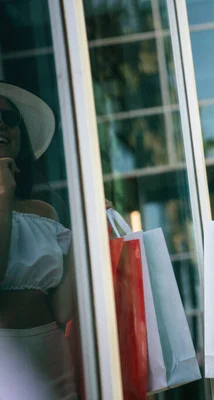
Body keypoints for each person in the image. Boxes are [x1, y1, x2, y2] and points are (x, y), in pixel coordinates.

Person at [0, 81, 77, 399]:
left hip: (52, 353)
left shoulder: (44, 211)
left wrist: (84, 234)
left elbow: (62, 310)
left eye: (9, 117)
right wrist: (3, 193)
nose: (2, 124)